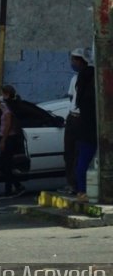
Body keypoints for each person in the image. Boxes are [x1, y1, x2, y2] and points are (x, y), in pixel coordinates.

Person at [58, 48, 87, 195]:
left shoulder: (88, 77)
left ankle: (77, 184)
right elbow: (71, 98)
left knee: (78, 152)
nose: (72, 63)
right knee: (69, 152)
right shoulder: (74, 79)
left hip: (81, 118)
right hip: (72, 117)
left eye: (74, 60)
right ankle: (70, 182)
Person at [0, 85, 26, 199]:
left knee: (6, 166)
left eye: (3, 93)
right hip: (8, 138)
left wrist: (3, 141)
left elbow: (7, 126)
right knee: (5, 166)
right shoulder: (10, 106)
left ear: (6, 94)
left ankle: (11, 190)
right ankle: (17, 186)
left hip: (8, 139)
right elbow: (2, 108)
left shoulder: (10, 109)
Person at [73, 49, 96, 203]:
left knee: (83, 160)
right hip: (95, 127)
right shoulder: (92, 76)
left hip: (85, 126)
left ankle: (82, 191)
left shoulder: (81, 78)